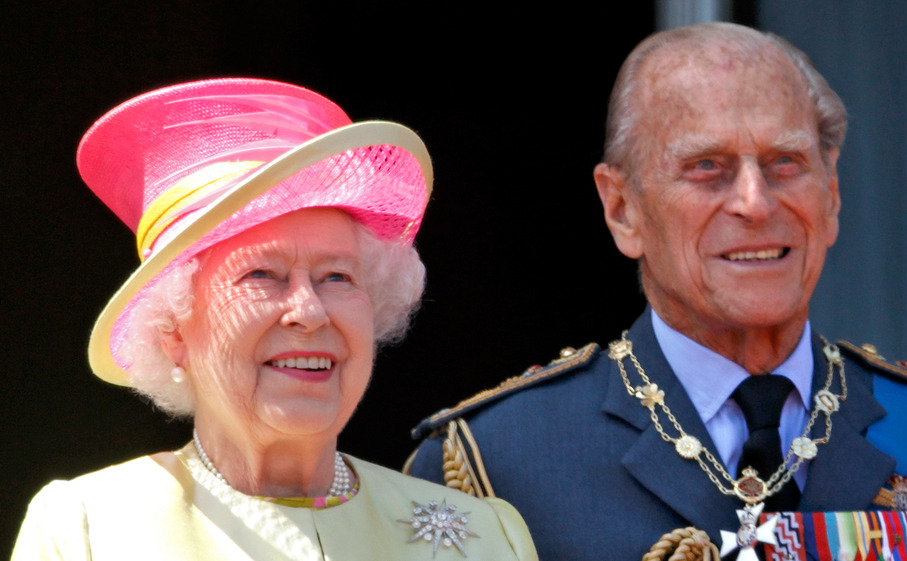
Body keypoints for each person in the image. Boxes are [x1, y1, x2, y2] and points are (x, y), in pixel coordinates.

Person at [406, 22, 907, 561]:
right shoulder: (497, 465)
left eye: (785, 161)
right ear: (622, 210)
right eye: (706, 167)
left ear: (833, 194)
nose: (755, 202)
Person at [12, 78, 538, 561]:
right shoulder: (88, 528)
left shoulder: (485, 536)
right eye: (262, 275)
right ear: (173, 332)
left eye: (337, 277)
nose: (309, 313)